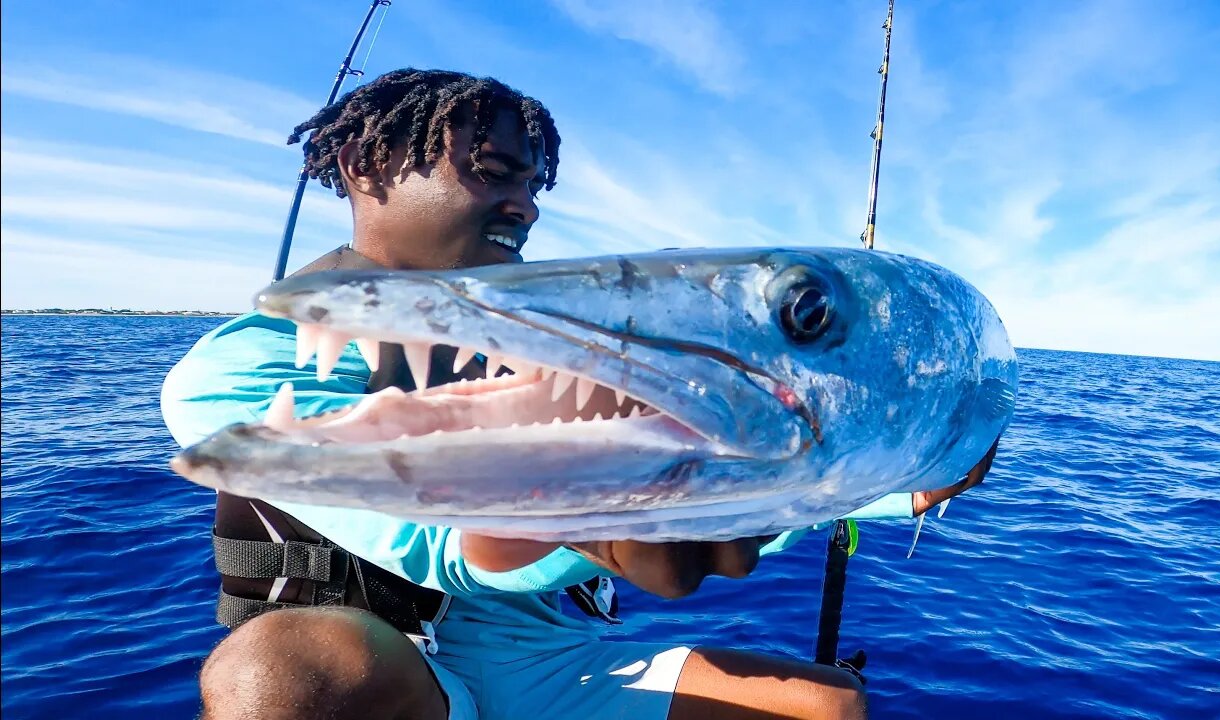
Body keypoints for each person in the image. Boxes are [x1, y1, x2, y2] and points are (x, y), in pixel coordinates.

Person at [161, 68, 996, 720]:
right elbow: (446, 555)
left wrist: (905, 486)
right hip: (397, 669)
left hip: (558, 662)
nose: (524, 206)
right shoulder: (232, 373)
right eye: (492, 173)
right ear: (365, 165)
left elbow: (719, 473)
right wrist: (596, 521)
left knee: (830, 703)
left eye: (534, 186)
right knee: (282, 677)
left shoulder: (541, 346)